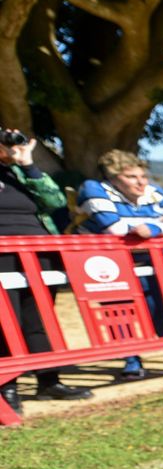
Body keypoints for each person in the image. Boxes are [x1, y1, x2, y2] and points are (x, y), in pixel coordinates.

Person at [77, 150, 163, 379]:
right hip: (109, 262)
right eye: (131, 177)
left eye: (143, 176)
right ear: (113, 178)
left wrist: (151, 229)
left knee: (161, 306)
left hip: (149, 259)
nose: (141, 182)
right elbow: (115, 228)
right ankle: (131, 360)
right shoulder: (93, 188)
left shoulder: (154, 192)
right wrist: (161, 224)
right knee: (118, 310)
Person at [0, 130, 93, 412]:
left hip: (39, 251)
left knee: (38, 318)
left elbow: (55, 202)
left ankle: (48, 381)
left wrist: (26, 163)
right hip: (2, 253)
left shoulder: (18, 173)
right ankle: (7, 386)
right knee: (6, 321)